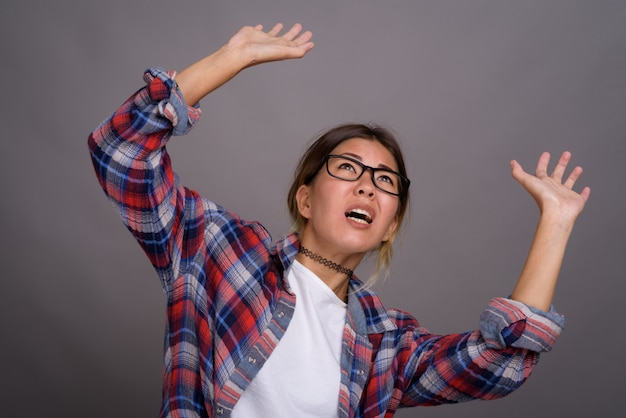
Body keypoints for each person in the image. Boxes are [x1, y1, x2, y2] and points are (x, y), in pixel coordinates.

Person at [88, 23, 590, 418]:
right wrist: (227, 61)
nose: (368, 185)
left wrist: (557, 221)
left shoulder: (384, 342)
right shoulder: (219, 250)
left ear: (390, 224)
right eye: (348, 169)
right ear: (305, 199)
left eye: (386, 180)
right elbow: (120, 154)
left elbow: (497, 365)